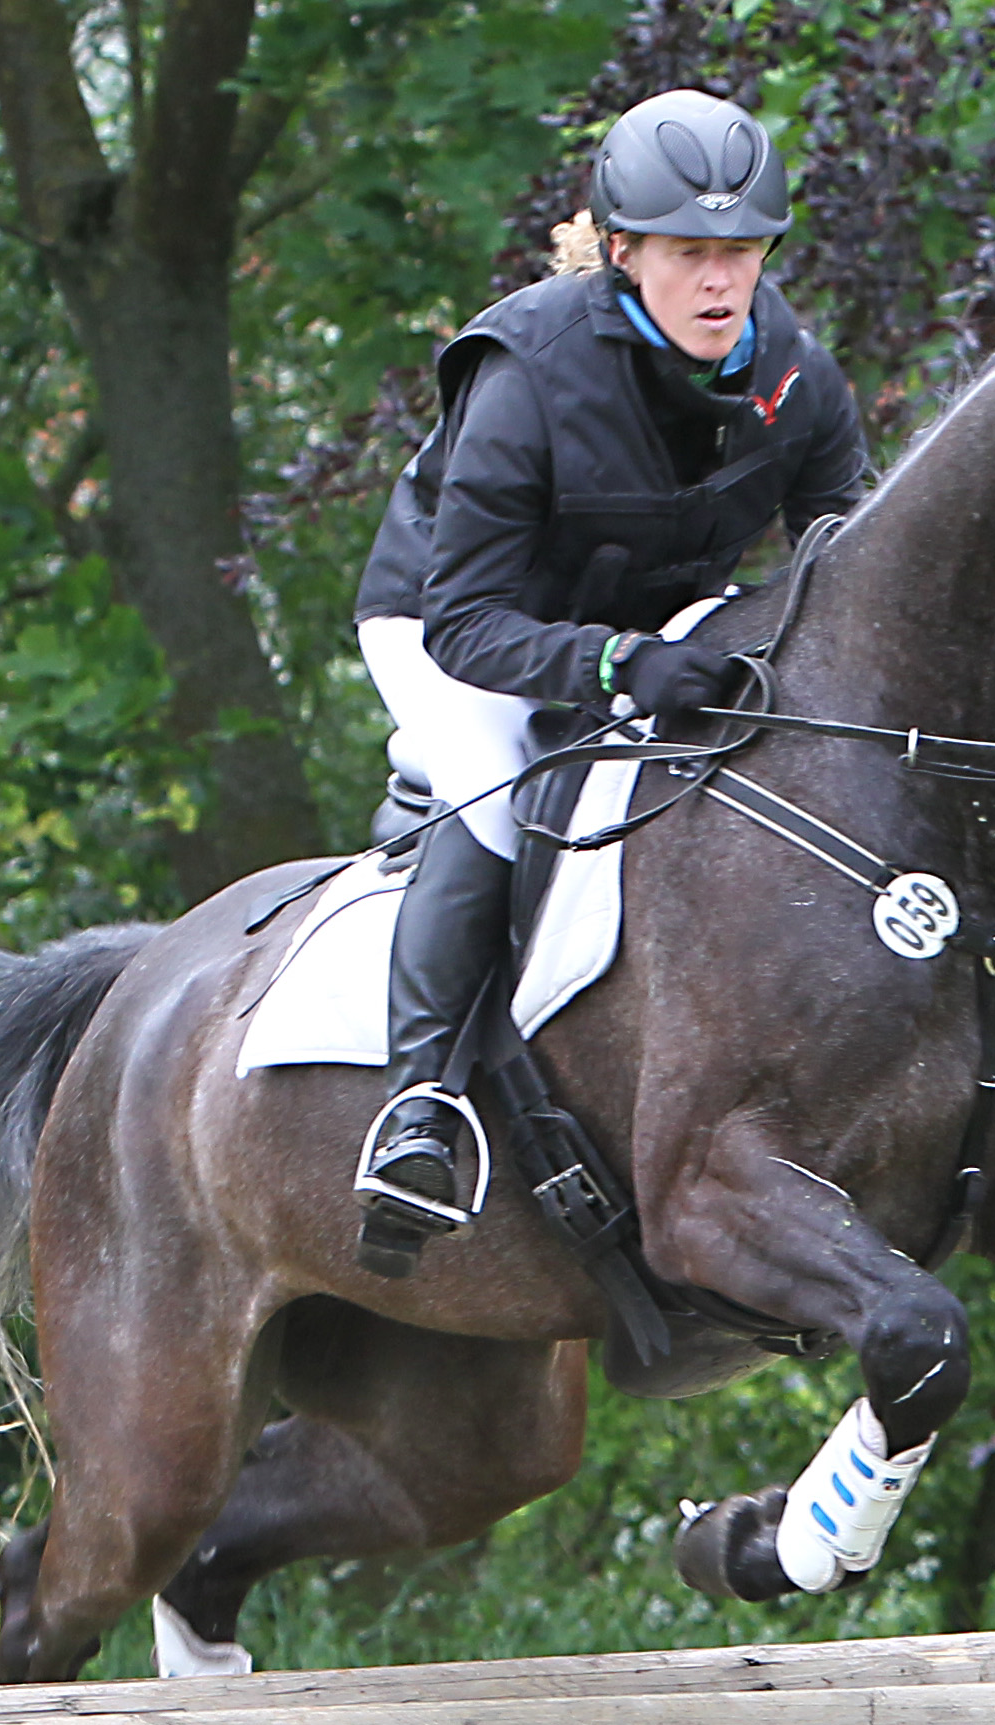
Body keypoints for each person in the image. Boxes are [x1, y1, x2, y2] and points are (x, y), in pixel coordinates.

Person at [347, 88, 869, 1276]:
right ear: (622, 251)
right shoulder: (527, 370)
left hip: (647, 620)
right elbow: (467, 619)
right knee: (491, 782)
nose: (720, 281)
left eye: (740, 251)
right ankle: (418, 1106)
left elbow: (845, 561)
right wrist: (621, 662)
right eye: (691, 253)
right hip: (454, 622)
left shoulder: (793, 375)